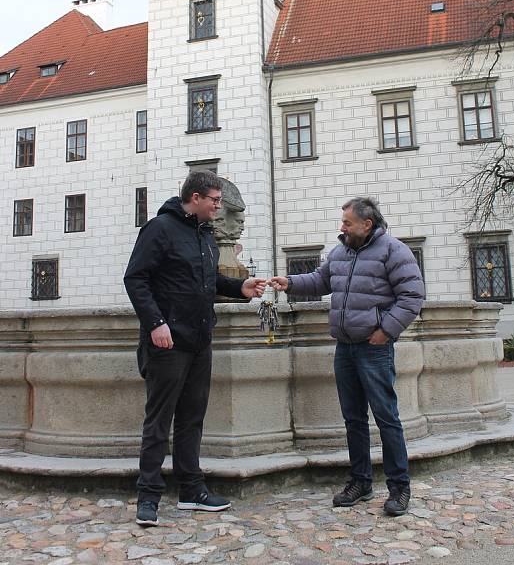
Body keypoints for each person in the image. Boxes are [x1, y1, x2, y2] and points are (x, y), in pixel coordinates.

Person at [124, 171, 266, 526]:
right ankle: (148, 496)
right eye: (215, 200)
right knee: (158, 421)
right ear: (196, 197)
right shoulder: (159, 228)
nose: (219, 207)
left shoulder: (204, 233)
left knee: (192, 419)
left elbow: (209, 279)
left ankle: (191, 490)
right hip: (168, 341)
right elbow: (135, 278)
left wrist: (240, 287)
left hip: (200, 340)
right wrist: (156, 324)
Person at [269, 197, 424, 517]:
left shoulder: (394, 251)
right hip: (345, 348)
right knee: (353, 419)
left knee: (387, 418)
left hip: (374, 347)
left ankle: (399, 487)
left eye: (347, 222)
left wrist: (387, 331)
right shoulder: (340, 252)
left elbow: (413, 295)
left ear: (367, 225)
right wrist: (290, 283)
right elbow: (322, 280)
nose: (342, 227)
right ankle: (361, 481)